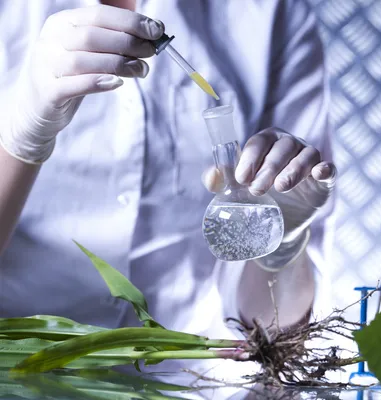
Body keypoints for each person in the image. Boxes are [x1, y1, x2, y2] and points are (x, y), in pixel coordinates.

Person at [0, 0, 335, 383]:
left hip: (191, 384)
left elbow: (278, 335)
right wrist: (18, 142)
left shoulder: (270, 14)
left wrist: (282, 248)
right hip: (24, 379)